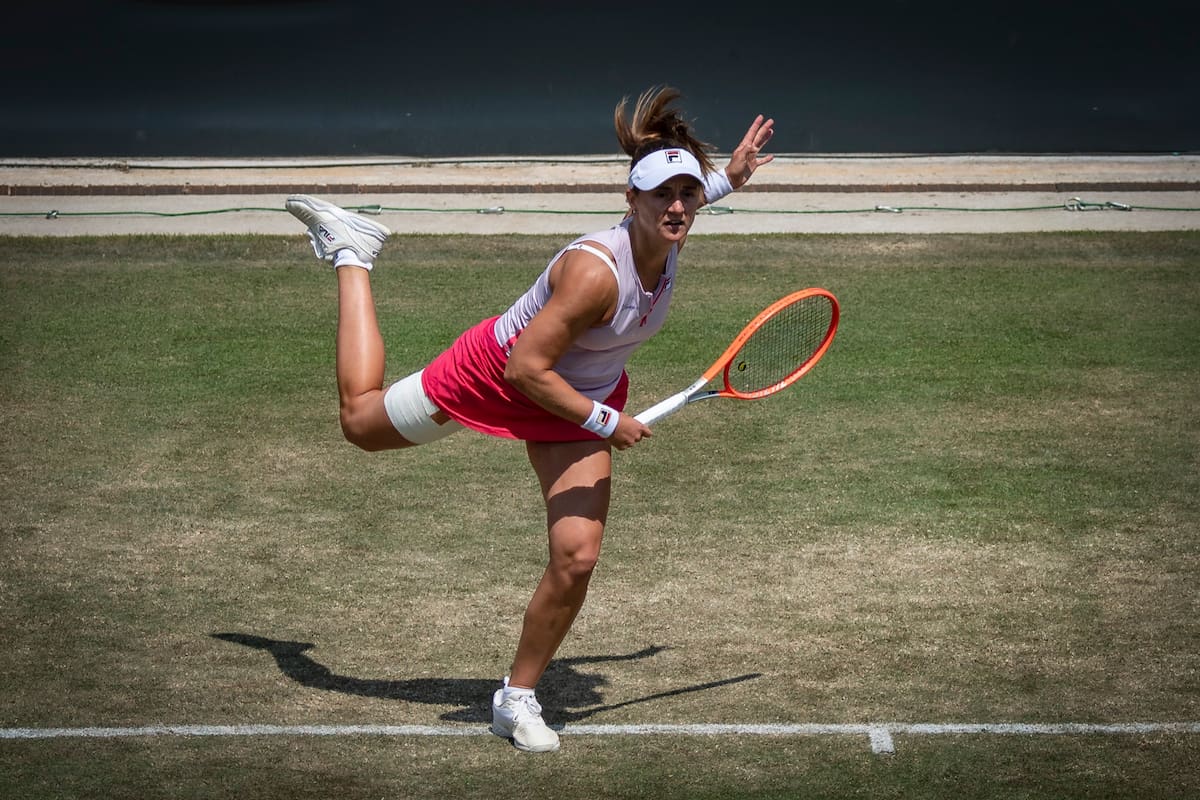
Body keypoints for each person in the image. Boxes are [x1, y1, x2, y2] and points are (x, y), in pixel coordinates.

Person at [285, 86, 774, 752]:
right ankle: (352, 253)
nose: (680, 207)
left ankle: (516, 700)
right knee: (361, 423)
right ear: (631, 201)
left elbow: (692, 200)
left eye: (689, 194)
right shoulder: (593, 277)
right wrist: (609, 422)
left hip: (579, 399)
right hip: (497, 374)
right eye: (664, 195)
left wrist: (730, 178)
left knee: (576, 558)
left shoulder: (672, 227)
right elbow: (524, 372)